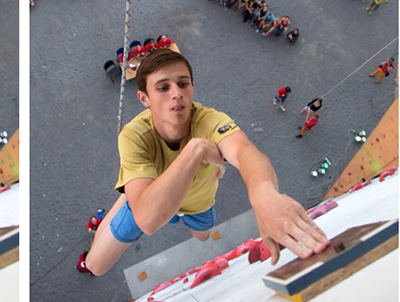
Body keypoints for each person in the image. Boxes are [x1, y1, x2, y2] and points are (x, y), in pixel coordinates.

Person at [79, 50, 328, 276]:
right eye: (162, 88)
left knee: (203, 236)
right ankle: (133, 192)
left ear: (192, 86)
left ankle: (134, 186)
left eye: (183, 83)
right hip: (154, 200)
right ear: (144, 98)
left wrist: (263, 193)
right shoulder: (134, 135)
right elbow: (148, 221)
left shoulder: (208, 120)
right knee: (95, 265)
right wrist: (195, 149)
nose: (176, 93)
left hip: (197, 204)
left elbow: (244, 152)